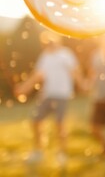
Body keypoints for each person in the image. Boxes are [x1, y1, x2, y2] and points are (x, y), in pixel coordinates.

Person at [14, 30, 85, 163]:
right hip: (47, 95)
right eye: (46, 41)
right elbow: (37, 76)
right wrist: (24, 88)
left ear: (57, 39)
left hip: (62, 94)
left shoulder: (66, 54)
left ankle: (62, 153)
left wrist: (83, 85)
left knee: (60, 124)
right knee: (35, 121)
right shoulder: (45, 56)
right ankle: (38, 151)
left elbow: (75, 72)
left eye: (51, 39)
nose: (49, 42)